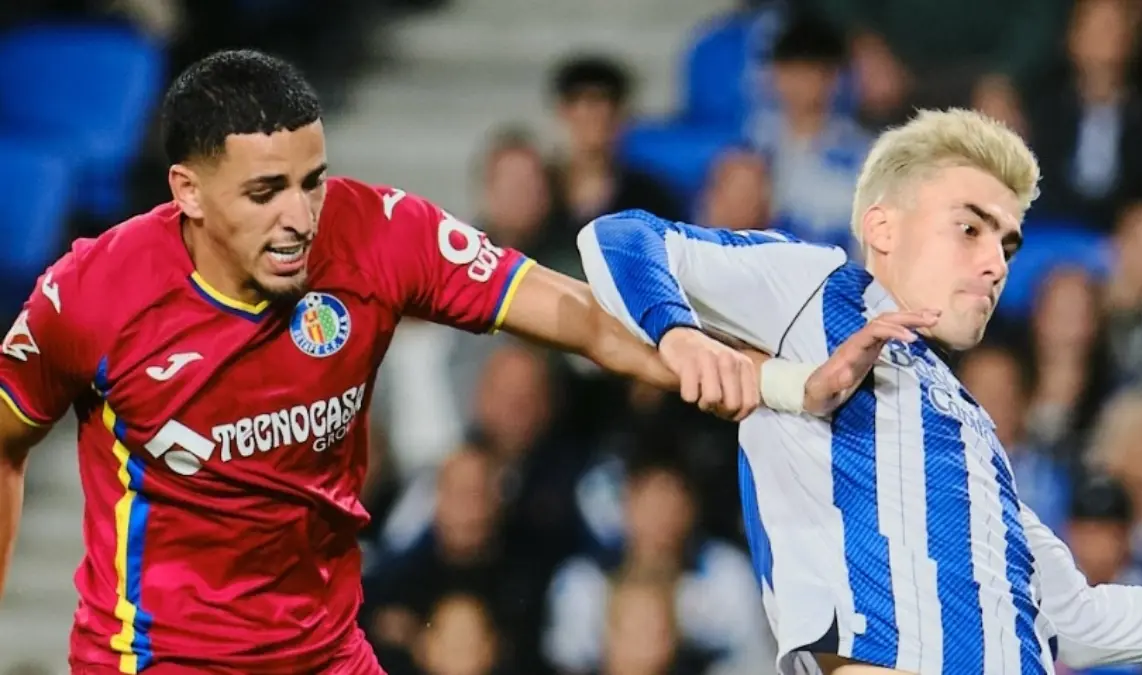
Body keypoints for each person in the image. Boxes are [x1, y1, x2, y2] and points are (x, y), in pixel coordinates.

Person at [0, 49, 825, 674]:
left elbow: (575, 315)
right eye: (265, 193)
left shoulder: (379, 231)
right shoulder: (91, 295)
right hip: (160, 658)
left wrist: (725, 360)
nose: (298, 218)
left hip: (325, 647)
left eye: (311, 181)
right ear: (186, 190)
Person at [579, 108, 1142, 675]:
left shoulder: (970, 428)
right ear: (883, 227)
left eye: (1008, 240)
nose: (995, 260)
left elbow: (1080, 620)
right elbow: (618, 237)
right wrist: (680, 333)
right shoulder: (816, 292)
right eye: (970, 226)